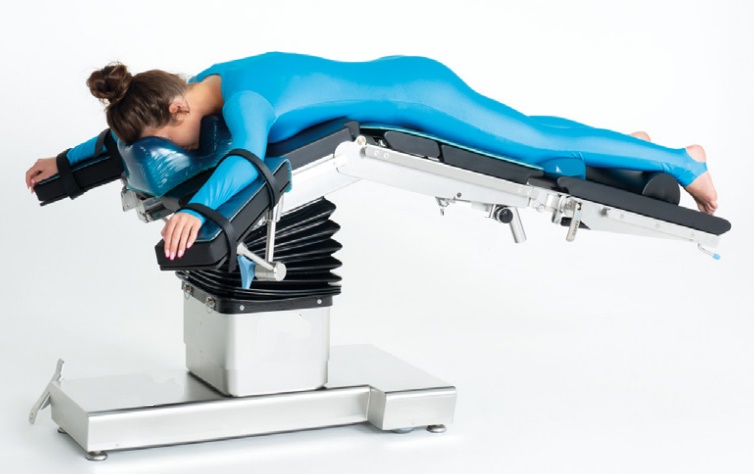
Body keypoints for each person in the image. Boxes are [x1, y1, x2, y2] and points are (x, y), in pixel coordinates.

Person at [25, 52, 719, 261]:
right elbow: (128, 134)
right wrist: (68, 162)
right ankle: (634, 153)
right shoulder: (192, 88)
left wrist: (202, 209)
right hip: (403, 82)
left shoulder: (246, 101)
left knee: (535, 144)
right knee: (537, 134)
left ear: (176, 111)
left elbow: (246, 158)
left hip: (424, 97)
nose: (169, 155)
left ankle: (683, 159)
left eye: (162, 144)